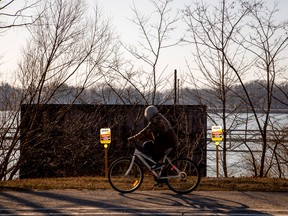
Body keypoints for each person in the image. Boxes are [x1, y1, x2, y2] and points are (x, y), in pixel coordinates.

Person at [128, 105, 177, 170]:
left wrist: (133, 138)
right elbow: (149, 133)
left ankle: (158, 162)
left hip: (167, 142)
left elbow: (145, 131)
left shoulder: (156, 120)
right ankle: (161, 175)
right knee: (149, 144)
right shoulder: (159, 117)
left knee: (149, 144)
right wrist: (140, 138)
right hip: (169, 141)